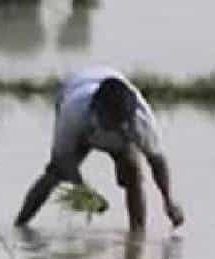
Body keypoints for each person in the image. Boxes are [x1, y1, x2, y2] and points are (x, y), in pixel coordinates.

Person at [13, 66, 184, 231]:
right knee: (54, 173)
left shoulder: (141, 121)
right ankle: (20, 225)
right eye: (109, 123)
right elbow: (62, 159)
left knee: (133, 173)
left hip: (118, 121)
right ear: (96, 112)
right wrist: (86, 193)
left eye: (119, 125)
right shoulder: (74, 112)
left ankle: (137, 234)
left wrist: (168, 201)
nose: (113, 128)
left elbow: (157, 161)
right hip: (77, 100)